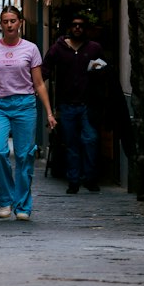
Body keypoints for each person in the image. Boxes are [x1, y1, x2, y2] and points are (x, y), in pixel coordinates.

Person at [0, 6, 56, 221]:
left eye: (13, 20)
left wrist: (48, 112)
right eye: (5, 21)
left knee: (24, 155)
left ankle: (23, 206)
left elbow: (39, 84)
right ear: (1, 24)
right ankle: (6, 199)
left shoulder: (31, 49)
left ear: (20, 23)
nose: (9, 24)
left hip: (25, 105)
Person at [42, 13, 105, 194]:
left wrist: (94, 70)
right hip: (67, 104)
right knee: (71, 143)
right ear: (69, 27)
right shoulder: (58, 49)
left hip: (88, 103)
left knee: (90, 140)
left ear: (86, 29)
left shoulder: (93, 48)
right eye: (74, 25)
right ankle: (73, 180)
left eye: (81, 25)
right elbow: (45, 69)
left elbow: (103, 69)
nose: (77, 28)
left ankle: (90, 178)